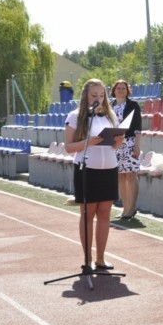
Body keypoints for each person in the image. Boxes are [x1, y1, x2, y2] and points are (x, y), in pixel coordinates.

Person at [64, 79, 125, 269]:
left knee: (105, 214)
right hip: (87, 170)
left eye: (101, 95)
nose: (98, 99)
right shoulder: (75, 116)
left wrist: (119, 140)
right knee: (88, 214)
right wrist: (88, 142)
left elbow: (115, 147)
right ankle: (87, 259)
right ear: (85, 96)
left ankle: (100, 258)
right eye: (94, 95)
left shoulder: (110, 116)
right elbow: (69, 147)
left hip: (109, 169)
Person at [110, 80, 143, 220]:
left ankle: (132, 208)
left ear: (127, 90)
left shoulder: (133, 105)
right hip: (115, 145)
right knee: (120, 177)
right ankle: (124, 208)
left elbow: (138, 127)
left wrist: (137, 145)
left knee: (131, 175)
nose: (121, 90)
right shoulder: (110, 106)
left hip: (130, 143)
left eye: (123, 88)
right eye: (118, 88)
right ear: (114, 90)